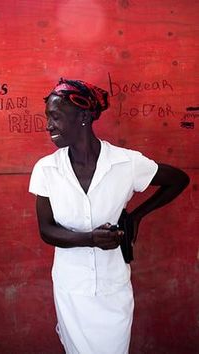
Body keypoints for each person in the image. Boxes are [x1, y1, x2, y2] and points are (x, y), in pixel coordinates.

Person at [29, 78, 189, 354]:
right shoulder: (46, 169)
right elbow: (46, 230)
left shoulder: (125, 163)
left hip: (112, 288)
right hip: (71, 288)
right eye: (48, 118)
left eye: (55, 117)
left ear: (83, 117)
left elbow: (178, 179)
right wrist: (90, 239)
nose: (48, 125)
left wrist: (138, 215)